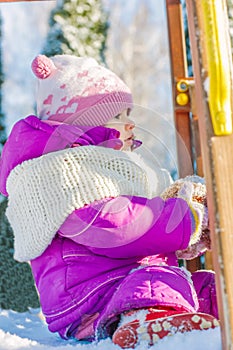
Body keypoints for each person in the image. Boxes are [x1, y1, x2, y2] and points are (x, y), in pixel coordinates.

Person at [0, 54, 218, 348]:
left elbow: (141, 214)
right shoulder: (62, 173)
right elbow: (116, 224)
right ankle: (145, 324)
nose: (130, 125)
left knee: (207, 287)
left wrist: (184, 223)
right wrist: (184, 220)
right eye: (119, 117)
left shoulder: (105, 168)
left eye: (129, 114)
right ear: (84, 125)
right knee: (158, 280)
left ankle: (201, 316)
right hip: (89, 297)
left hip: (121, 284)